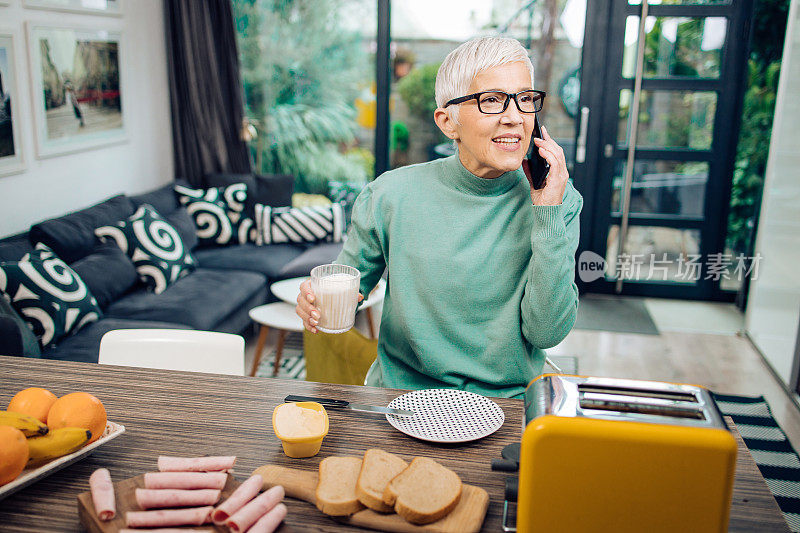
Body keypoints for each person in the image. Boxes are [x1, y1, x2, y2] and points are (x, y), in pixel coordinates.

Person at [296, 37, 582, 398]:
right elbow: (349, 287)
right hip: (400, 399)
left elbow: (546, 333)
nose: (514, 117)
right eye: (492, 100)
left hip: (507, 405)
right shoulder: (389, 195)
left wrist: (548, 212)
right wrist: (315, 301)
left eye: (524, 99)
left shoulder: (557, 202)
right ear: (448, 122)